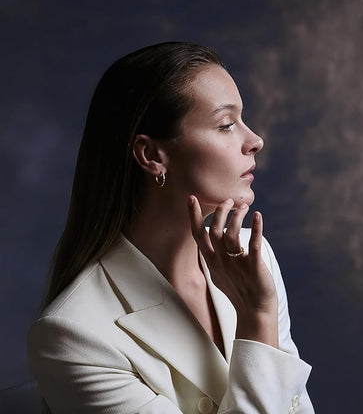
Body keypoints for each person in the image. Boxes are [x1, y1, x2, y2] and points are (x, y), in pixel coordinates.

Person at [27, 42, 314, 414]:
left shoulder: (254, 259)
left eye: (242, 120)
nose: (254, 140)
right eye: (226, 125)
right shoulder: (72, 334)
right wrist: (257, 317)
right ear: (151, 155)